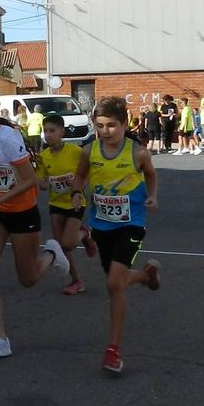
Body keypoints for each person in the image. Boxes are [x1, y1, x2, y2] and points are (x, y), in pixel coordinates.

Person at [0, 88, 68, 359]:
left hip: (22, 211)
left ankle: (50, 253)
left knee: (28, 279)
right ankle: (0, 338)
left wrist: (1, 201)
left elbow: (29, 180)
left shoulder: (9, 139)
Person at [76, 96, 162, 376]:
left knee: (113, 283)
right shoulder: (89, 151)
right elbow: (79, 179)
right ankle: (146, 275)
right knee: (117, 282)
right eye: (99, 126)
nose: (105, 131)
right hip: (102, 225)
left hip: (132, 224)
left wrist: (152, 196)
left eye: (111, 126)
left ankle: (113, 350)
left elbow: (150, 175)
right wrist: (77, 193)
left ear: (125, 124)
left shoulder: (138, 153)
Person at [35, 113, 89, 295]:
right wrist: (41, 177)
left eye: (52, 130)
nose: (48, 134)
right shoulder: (42, 156)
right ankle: (77, 281)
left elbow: (86, 173)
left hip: (75, 201)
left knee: (68, 244)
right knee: (60, 246)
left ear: (62, 132)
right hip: (56, 203)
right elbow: (42, 185)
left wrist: (77, 183)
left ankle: (84, 233)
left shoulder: (75, 151)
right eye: (45, 131)